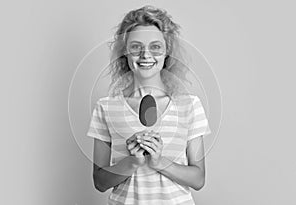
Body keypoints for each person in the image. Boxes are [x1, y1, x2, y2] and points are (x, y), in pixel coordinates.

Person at [87, 5, 211, 205]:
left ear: (167, 51)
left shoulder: (189, 106)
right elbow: (100, 182)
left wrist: (159, 162)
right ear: (124, 52)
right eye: (136, 46)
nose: (145, 55)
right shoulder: (106, 108)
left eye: (155, 46)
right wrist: (132, 162)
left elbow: (198, 179)